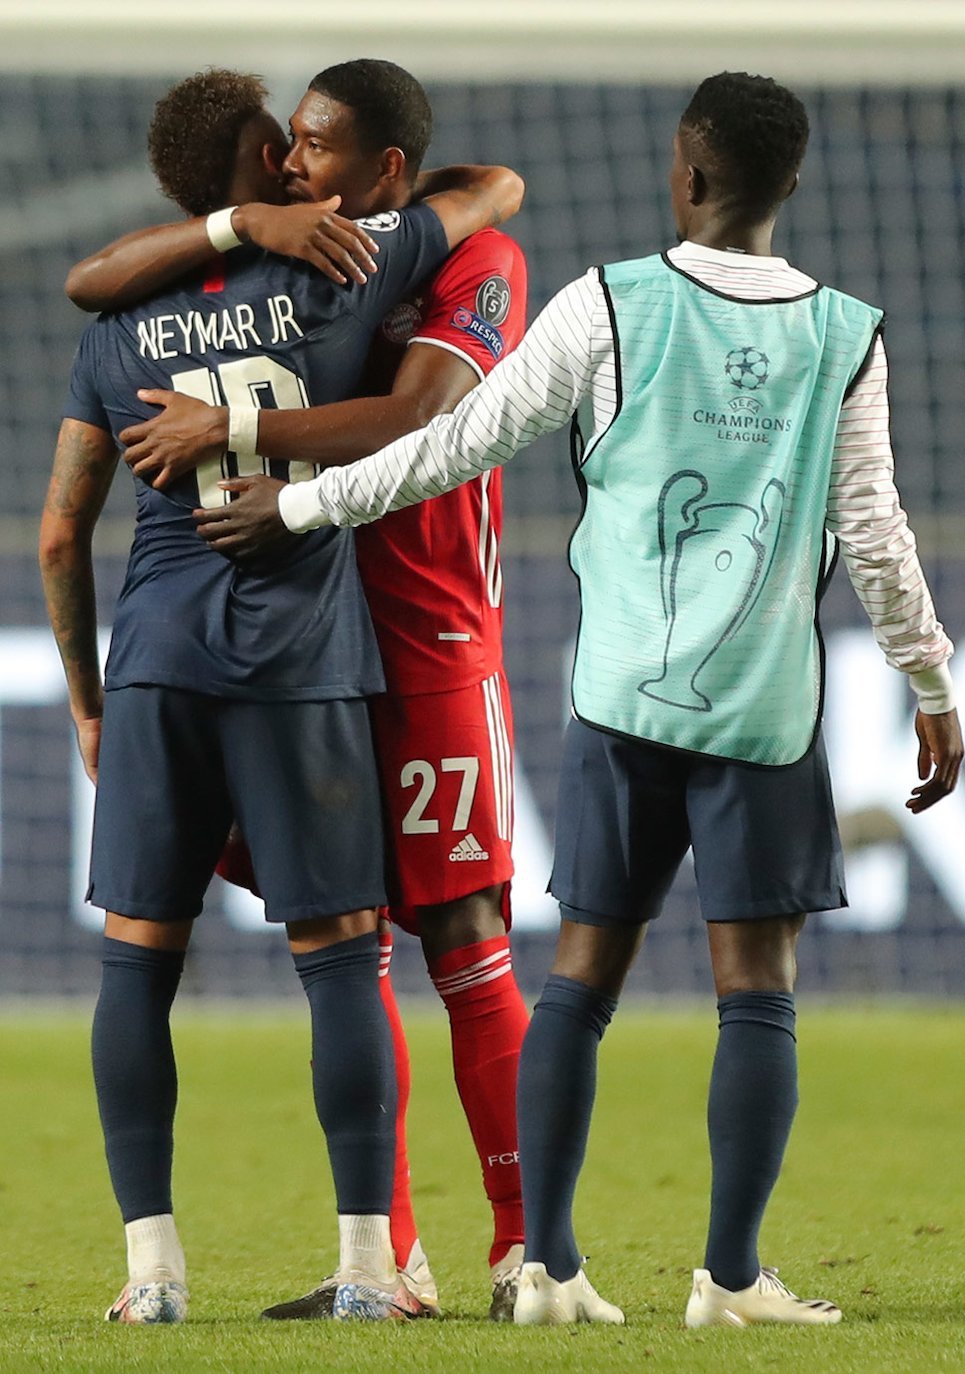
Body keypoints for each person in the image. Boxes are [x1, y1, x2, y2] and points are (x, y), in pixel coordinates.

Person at [198, 72, 965, 1328]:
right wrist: (928, 680)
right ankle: (727, 1281)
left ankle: (546, 1268)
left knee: (579, 982)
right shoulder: (848, 334)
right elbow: (873, 530)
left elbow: (453, 443)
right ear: (792, 183)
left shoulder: (606, 304)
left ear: (686, 171)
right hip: (765, 712)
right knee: (756, 990)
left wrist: (293, 501)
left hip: (618, 706)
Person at [41, 65, 522, 1325]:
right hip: (303, 669)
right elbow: (489, 193)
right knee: (341, 959)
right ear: (265, 173)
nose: (305, 170)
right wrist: (277, 234)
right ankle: (376, 1267)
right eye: (286, 152)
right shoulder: (341, 270)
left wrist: (87, 702)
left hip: (152, 663)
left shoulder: (116, 323)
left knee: (135, 970)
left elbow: (56, 534)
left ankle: (151, 1278)